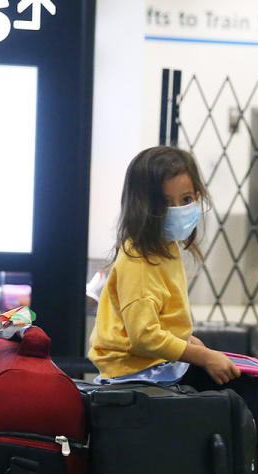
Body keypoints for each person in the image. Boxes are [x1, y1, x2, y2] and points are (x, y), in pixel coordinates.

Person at [88, 146, 240, 387]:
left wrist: (185, 339)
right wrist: (205, 357)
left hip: (155, 365)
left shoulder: (166, 247)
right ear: (143, 206)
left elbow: (158, 316)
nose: (179, 210)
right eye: (166, 203)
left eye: (187, 199)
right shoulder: (138, 262)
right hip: (136, 375)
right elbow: (144, 337)